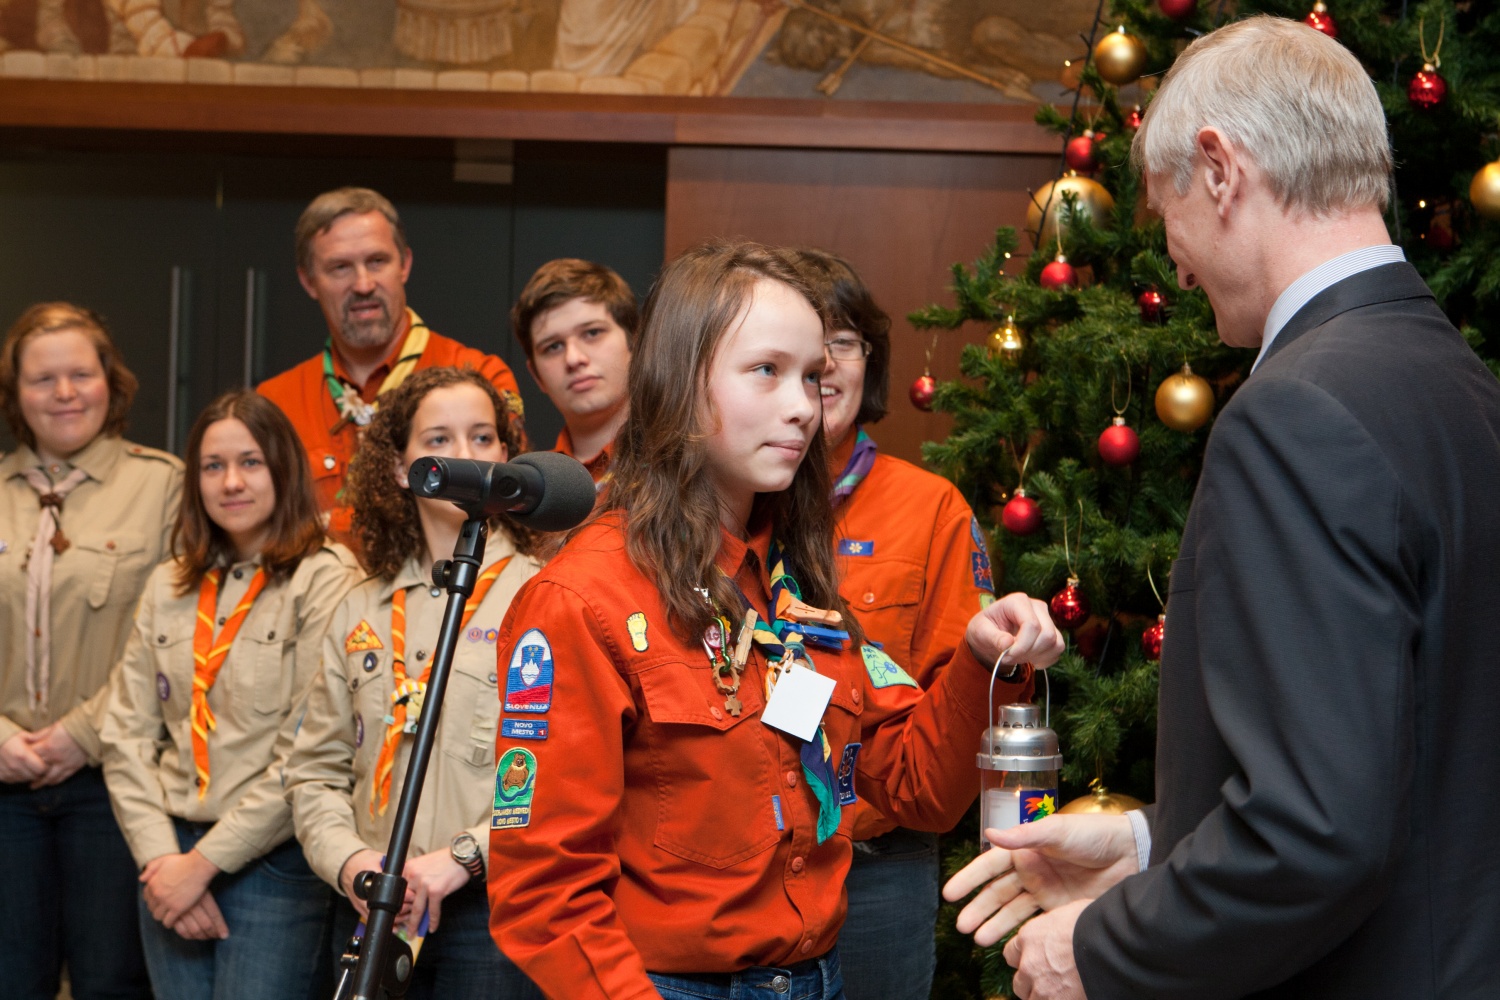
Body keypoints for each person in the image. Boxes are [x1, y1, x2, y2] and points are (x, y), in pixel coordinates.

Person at [944, 16, 1500, 1000]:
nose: (1176, 262)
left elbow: (1315, 833)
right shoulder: (1457, 380)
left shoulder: (1297, 410)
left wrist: (1099, 947)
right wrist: (1148, 844)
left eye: (1168, 213)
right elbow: (1410, 759)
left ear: (1219, 168)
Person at [486, 240, 1064, 1000]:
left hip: (817, 977)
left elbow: (917, 784)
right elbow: (544, 891)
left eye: (812, 376)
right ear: (679, 382)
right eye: (767, 370)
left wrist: (986, 661)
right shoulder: (584, 597)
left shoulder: (792, 584)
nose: (803, 406)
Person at [285, 366, 544, 999]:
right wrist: (352, 862)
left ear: (506, 457)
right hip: (371, 907)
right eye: (439, 439)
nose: (465, 456)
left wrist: (464, 857)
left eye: (482, 437)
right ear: (402, 469)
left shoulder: (543, 596)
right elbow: (314, 770)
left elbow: (567, 773)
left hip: (489, 912)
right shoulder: (360, 607)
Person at [793, 248, 1005, 1000]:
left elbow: (956, 699)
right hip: (736, 867)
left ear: (870, 363)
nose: (824, 363)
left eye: (843, 342)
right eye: (803, 341)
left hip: (877, 871)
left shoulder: (932, 509)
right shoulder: (721, 504)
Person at [100, 390, 359, 999]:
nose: (231, 482)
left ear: (282, 469)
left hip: (271, 862)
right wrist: (162, 862)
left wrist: (203, 866)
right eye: (213, 466)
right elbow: (124, 733)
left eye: (250, 462)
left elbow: (308, 751)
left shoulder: (327, 579)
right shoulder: (168, 584)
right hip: (167, 851)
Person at [0, 302, 182, 1000]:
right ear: (16, 393)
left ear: (112, 381)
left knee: (111, 982)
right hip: (5, 785)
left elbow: (174, 639)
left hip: (114, 786)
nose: (65, 392)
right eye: (43, 379)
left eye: (81, 374)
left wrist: (81, 733)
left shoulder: (163, 485)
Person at [258, 186, 526, 548]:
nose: (363, 284)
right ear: (308, 280)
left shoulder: (479, 376)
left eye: (377, 261)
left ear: (404, 264)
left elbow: (505, 506)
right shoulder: (275, 403)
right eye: (340, 267)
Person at [509, 257, 636, 484]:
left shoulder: (686, 460)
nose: (573, 359)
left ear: (635, 343)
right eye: (553, 346)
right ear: (536, 376)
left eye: (592, 333)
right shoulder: (530, 486)